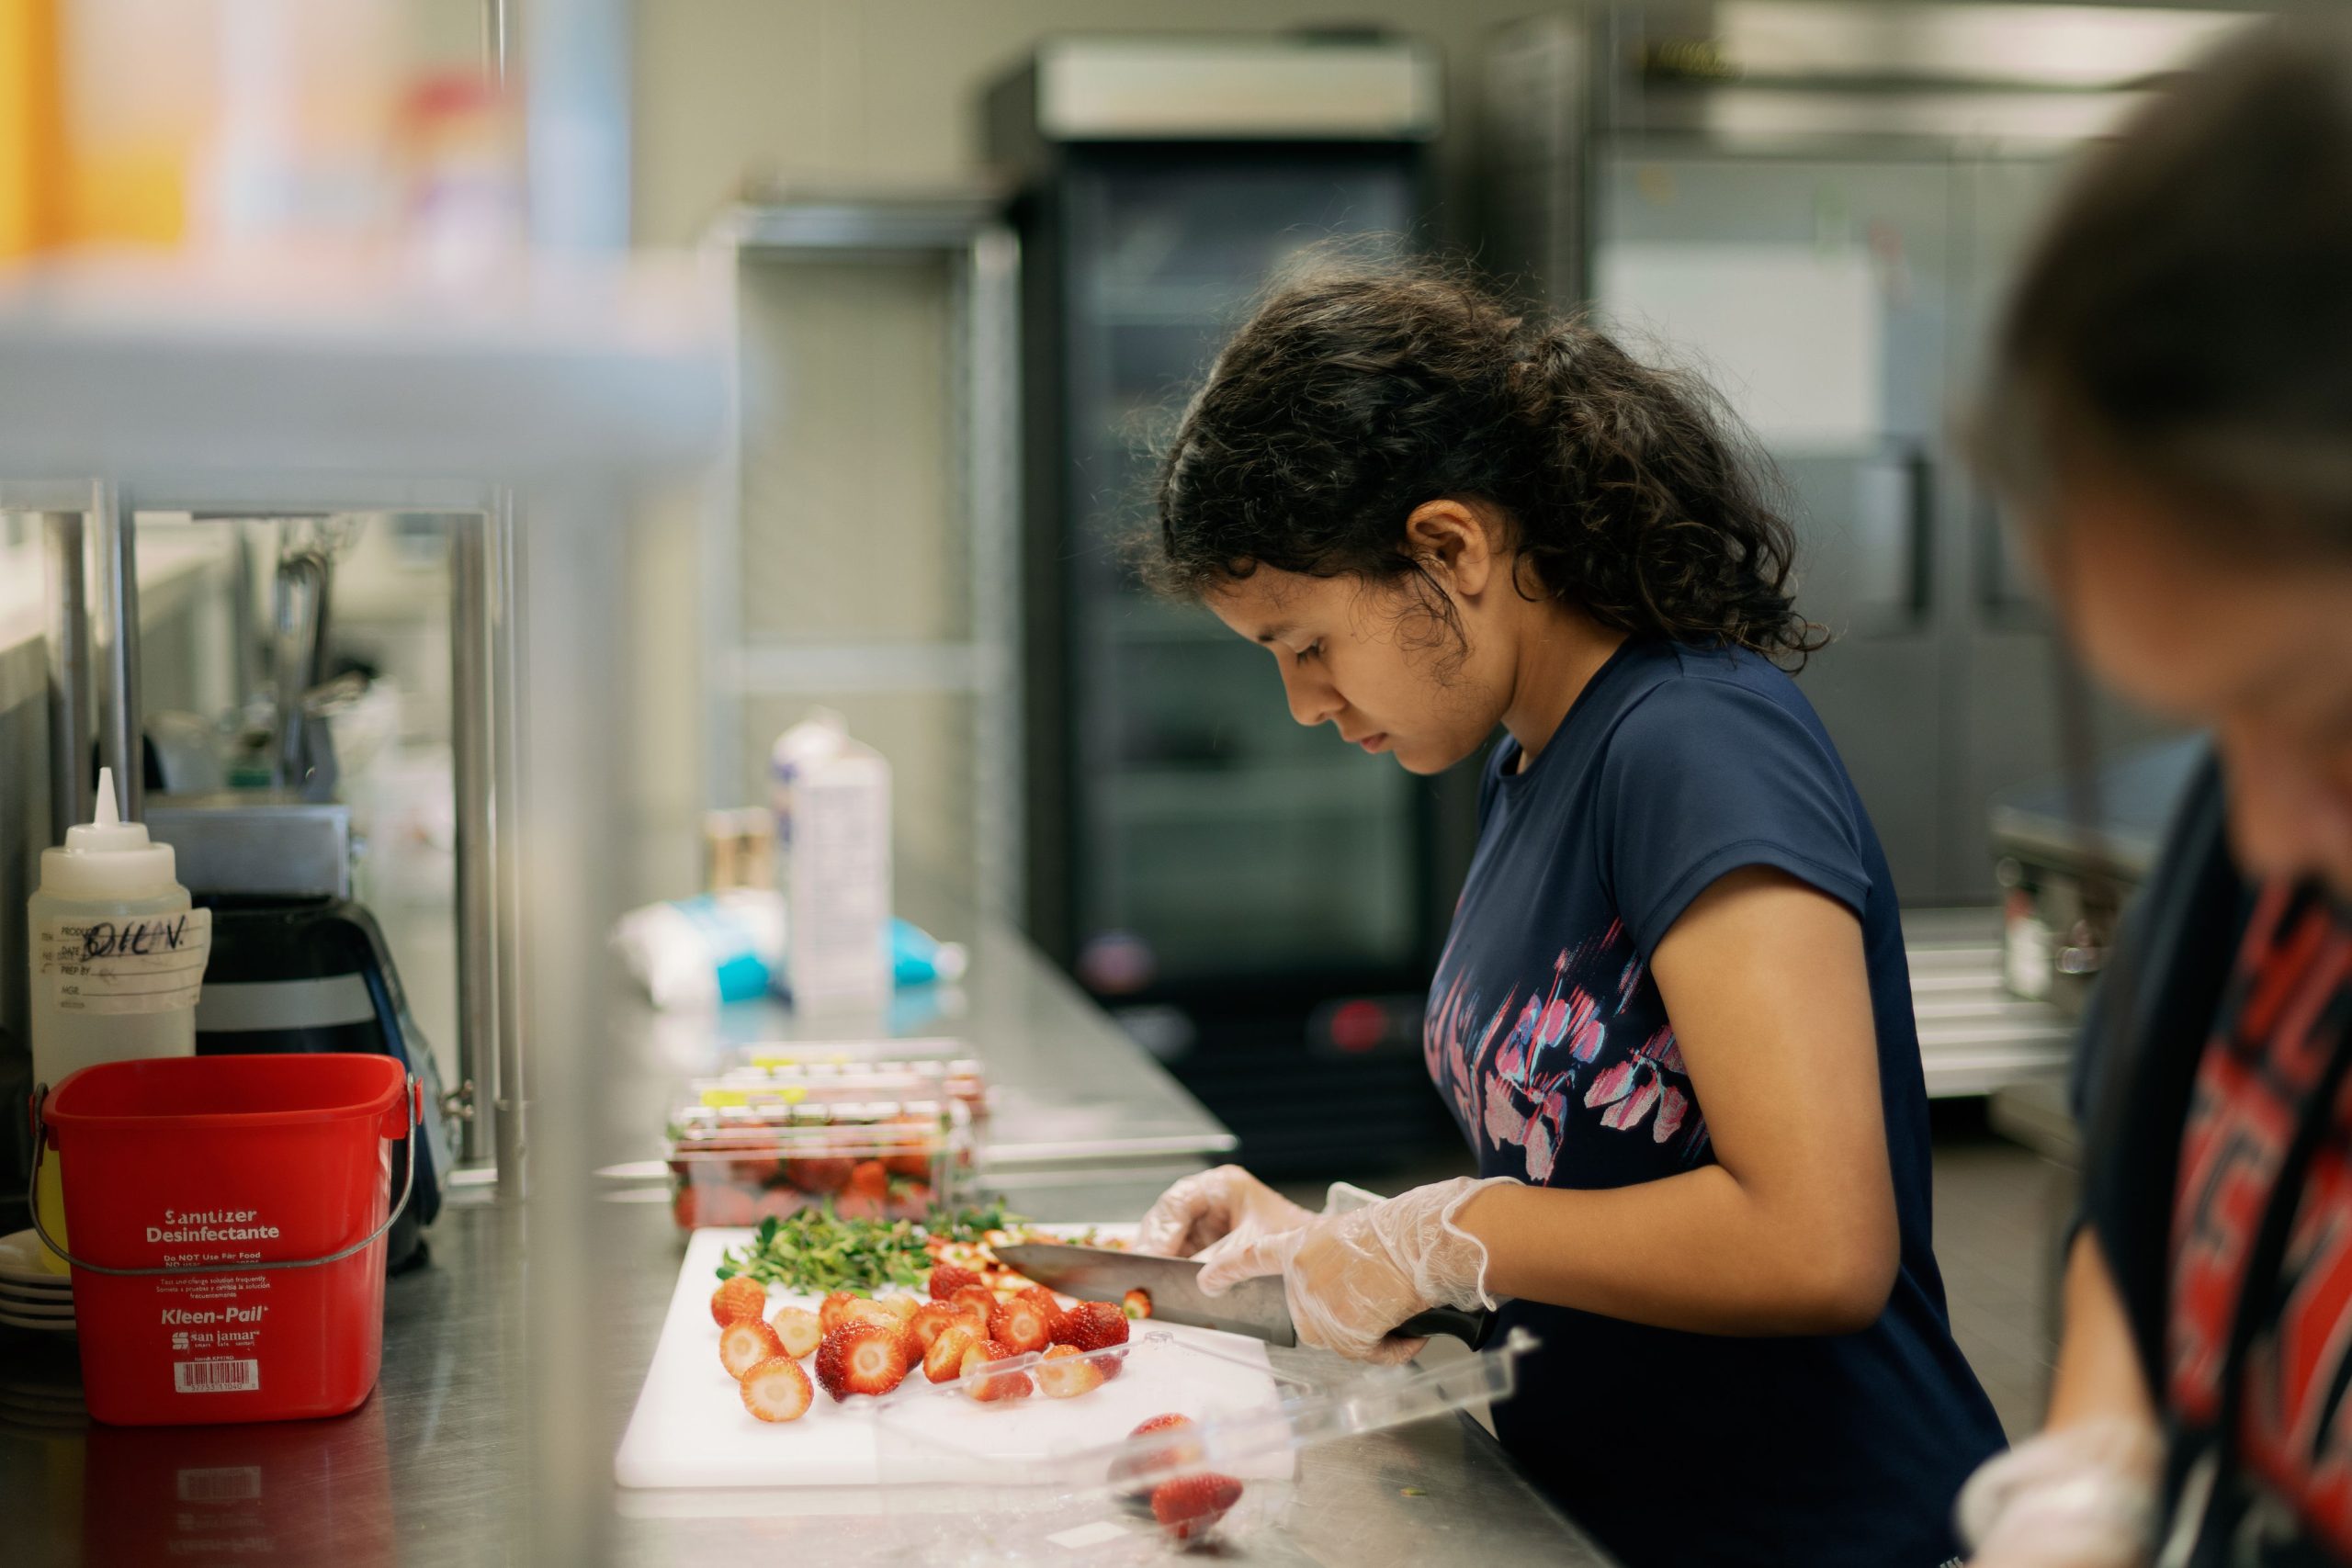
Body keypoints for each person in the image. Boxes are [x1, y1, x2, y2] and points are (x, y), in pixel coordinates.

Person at [1129, 256, 2004, 1568]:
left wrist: (1446, 1234)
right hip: (1608, 1518)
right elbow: (1596, 1185)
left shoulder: (1697, 743)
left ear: (1449, 548)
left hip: (1822, 1529)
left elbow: (1818, 1243)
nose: (1305, 703)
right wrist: (1340, 1246)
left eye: (1306, 642)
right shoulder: (1529, 761)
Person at [1948, 20, 2352, 1568]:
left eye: (2330, 720)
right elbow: (2158, 1160)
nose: (2257, 834)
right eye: (2212, 723)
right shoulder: (2276, 826)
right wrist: (2097, 1470)